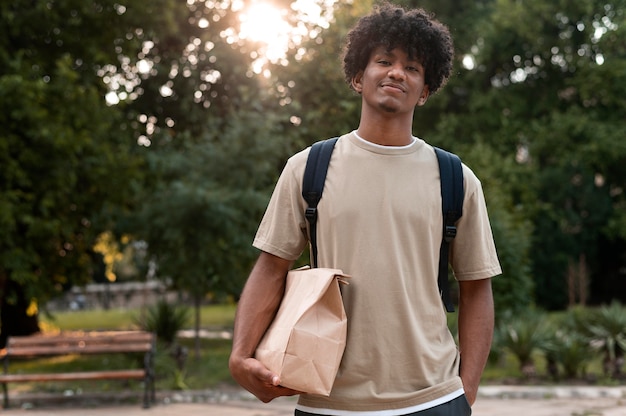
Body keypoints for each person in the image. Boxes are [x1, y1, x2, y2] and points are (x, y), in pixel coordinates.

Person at [229, 3, 502, 415]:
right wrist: (240, 355)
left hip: (434, 398)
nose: (397, 73)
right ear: (358, 77)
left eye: (413, 68)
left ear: (425, 91)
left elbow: (477, 288)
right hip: (328, 400)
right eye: (384, 61)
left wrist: (466, 393)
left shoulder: (456, 179)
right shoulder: (308, 169)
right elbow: (271, 267)